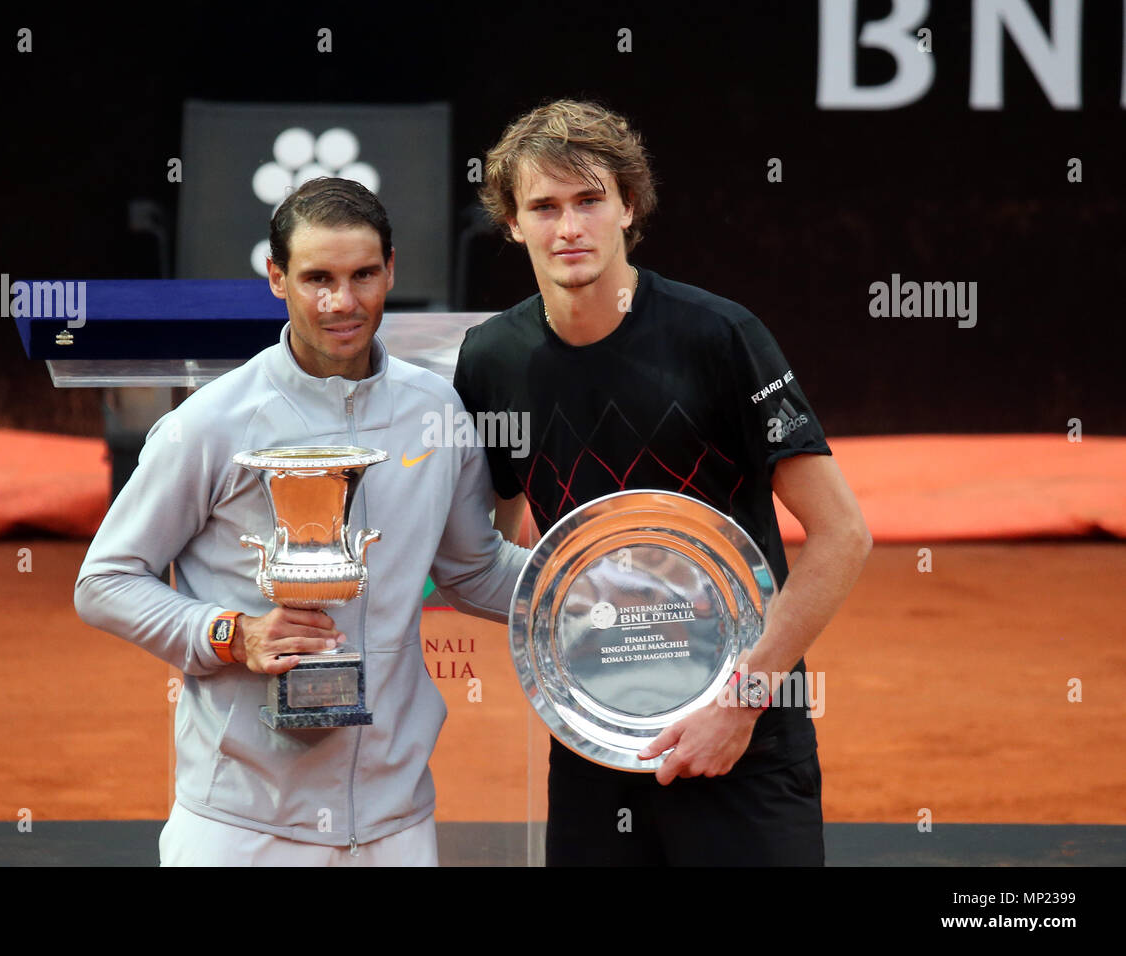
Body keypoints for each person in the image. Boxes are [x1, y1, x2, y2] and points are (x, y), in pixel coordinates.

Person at [454, 100, 872, 866]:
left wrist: (740, 704)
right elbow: (493, 543)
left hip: (743, 733)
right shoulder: (491, 358)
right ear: (512, 223)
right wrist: (560, 651)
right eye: (543, 207)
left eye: (589, 201)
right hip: (594, 736)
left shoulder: (721, 337)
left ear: (629, 206)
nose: (569, 228)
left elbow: (843, 534)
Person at [75, 177, 528, 866]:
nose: (342, 302)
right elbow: (104, 579)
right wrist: (231, 634)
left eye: (363, 276)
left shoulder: (438, 411)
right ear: (276, 278)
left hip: (394, 822)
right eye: (317, 278)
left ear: (391, 271)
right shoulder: (208, 423)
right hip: (238, 825)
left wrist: (600, 583)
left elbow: (473, 569)